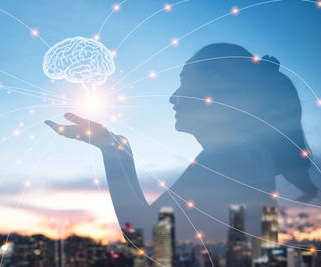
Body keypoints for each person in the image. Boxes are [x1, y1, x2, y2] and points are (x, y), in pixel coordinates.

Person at [45, 43, 318, 243]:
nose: (173, 97)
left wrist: (113, 149)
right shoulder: (251, 155)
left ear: (220, 95)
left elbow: (146, 233)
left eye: (185, 84)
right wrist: (116, 148)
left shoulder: (235, 156)